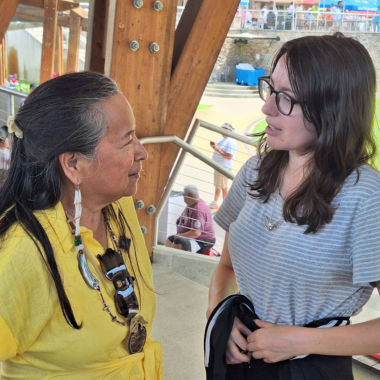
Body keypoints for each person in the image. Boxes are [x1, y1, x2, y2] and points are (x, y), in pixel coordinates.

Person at [205, 33, 380, 380]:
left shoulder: (365, 197)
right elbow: (225, 268)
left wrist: (299, 340)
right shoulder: (255, 171)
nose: (267, 107)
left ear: (332, 108)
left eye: (286, 99)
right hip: (241, 362)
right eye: (271, 89)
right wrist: (220, 321)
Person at [0, 72, 163, 379]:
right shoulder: (23, 251)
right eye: (127, 140)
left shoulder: (118, 206)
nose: (142, 152)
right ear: (74, 164)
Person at [165, 184, 215, 254]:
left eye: (183, 195)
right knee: (169, 240)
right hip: (188, 235)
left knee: (178, 244)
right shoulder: (191, 203)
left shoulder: (198, 210)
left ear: (187, 197)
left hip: (202, 240)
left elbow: (196, 233)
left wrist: (179, 236)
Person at [209, 123, 238, 210]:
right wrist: (214, 146)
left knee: (224, 187)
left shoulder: (231, 141)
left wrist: (216, 149)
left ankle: (225, 207)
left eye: (223, 129)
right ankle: (215, 202)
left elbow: (229, 157)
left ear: (228, 130)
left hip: (223, 167)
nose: (221, 130)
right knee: (218, 185)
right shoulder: (224, 138)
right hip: (219, 166)